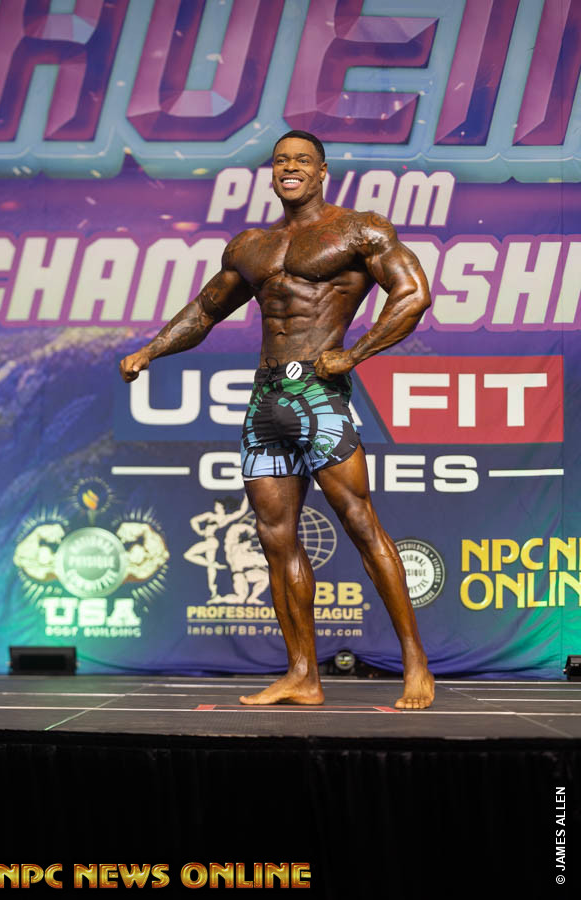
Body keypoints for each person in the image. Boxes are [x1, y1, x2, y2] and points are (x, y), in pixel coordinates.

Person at [120, 130, 435, 709]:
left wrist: (355, 354)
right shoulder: (252, 246)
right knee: (275, 539)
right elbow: (205, 310)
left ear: (321, 171)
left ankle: (416, 664)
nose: (291, 167)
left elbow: (413, 294)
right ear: (272, 172)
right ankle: (302, 675)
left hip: (318, 396)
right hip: (266, 401)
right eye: (281, 160)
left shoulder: (359, 229)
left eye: (302, 160)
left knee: (360, 524)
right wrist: (152, 350)